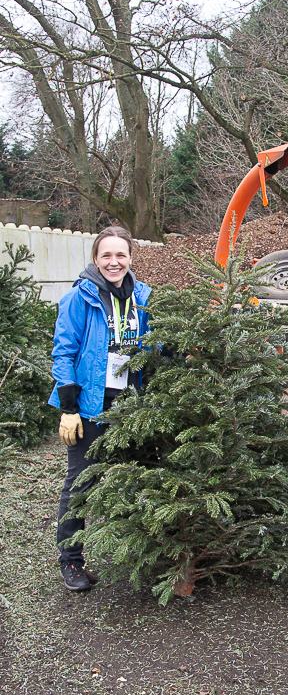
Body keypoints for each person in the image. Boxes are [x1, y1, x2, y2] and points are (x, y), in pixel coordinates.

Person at [49, 226, 151, 592]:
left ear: (130, 258)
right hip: (89, 407)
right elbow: (62, 354)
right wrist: (69, 407)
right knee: (80, 484)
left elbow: (149, 349)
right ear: (95, 259)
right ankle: (71, 561)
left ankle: (132, 553)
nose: (113, 261)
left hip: (128, 407)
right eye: (106, 255)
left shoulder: (142, 296)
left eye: (120, 254)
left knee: (128, 479)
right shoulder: (80, 298)